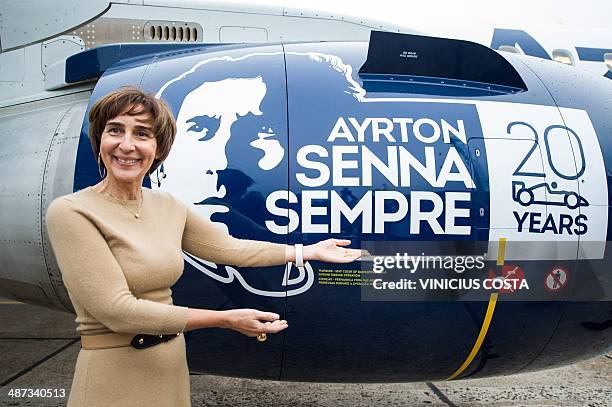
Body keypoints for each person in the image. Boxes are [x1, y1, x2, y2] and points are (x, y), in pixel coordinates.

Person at [45, 86, 362, 406]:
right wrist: (224, 319)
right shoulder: (72, 212)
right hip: (114, 377)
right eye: (115, 130)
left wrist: (304, 252)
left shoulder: (167, 206)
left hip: (169, 368)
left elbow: (229, 248)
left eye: (142, 134)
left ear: (158, 149)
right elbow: (117, 312)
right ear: (99, 140)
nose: (127, 145)